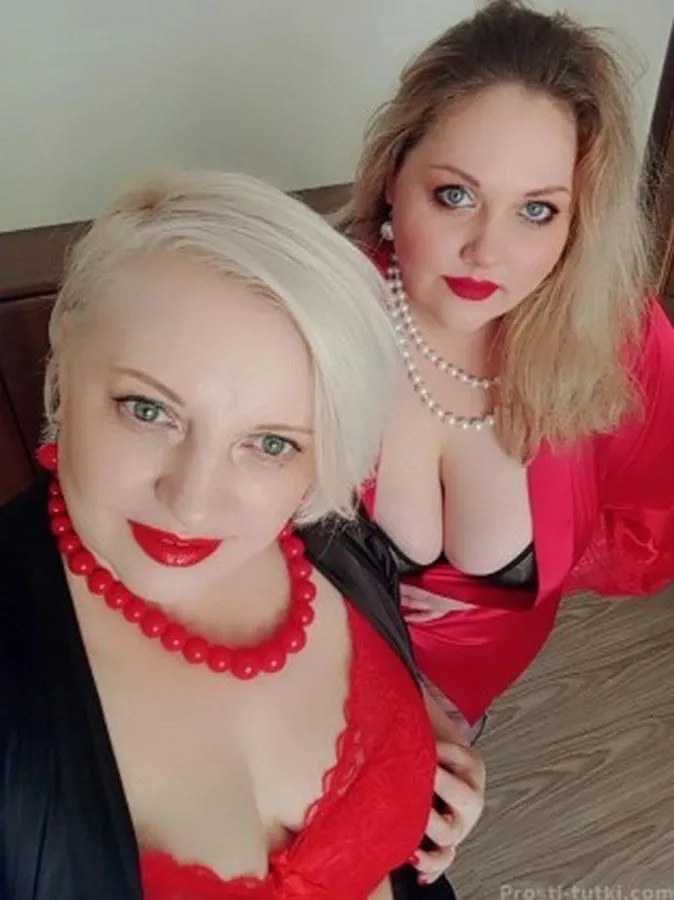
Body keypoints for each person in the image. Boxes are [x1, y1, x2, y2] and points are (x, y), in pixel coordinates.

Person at [0, 171, 482, 898]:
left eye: (271, 444)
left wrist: (419, 769)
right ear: (64, 353)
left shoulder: (335, 544)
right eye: (148, 409)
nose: (193, 505)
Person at [340, 0, 674, 741]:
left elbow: (657, 509)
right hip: (308, 688)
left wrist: (535, 571)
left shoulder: (615, 336)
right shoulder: (315, 316)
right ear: (394, 175)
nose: (487, 251)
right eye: (455, 195)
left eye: (537, 210)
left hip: (467, 699)